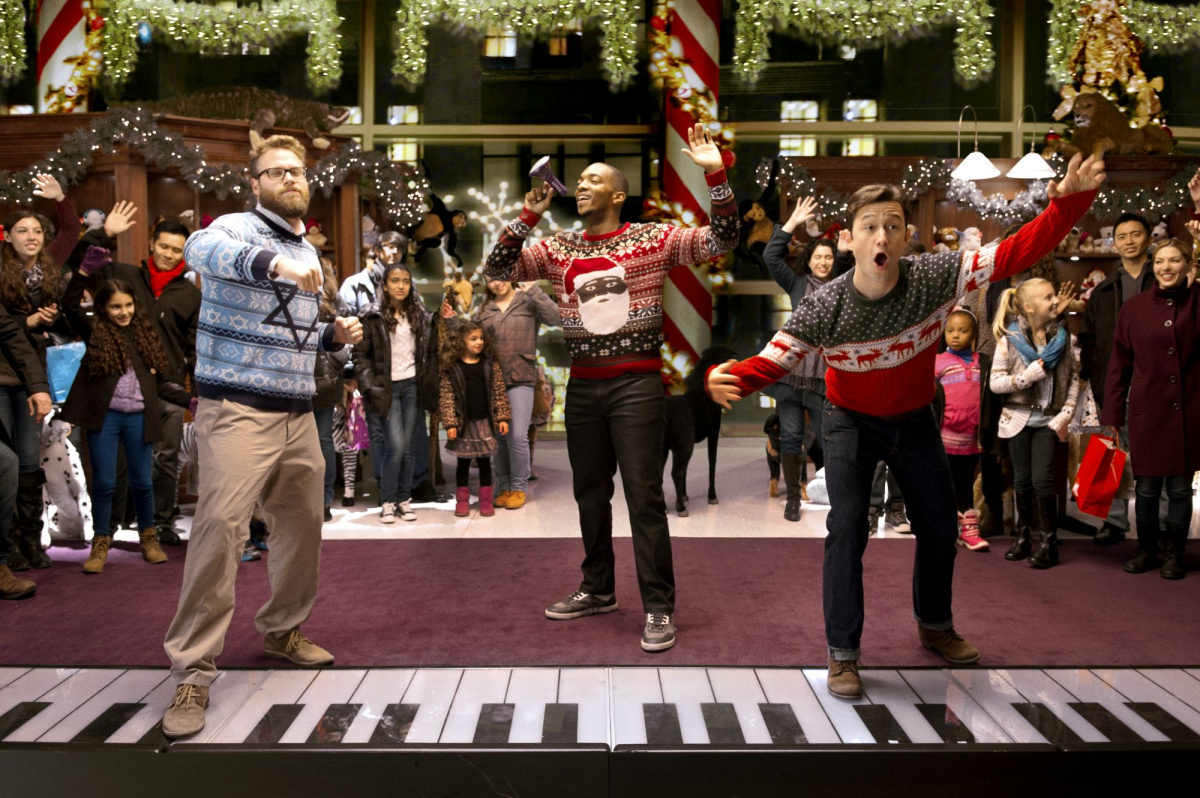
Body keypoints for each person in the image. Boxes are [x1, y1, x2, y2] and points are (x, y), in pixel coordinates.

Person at [707, 153, 1104, 698]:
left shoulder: (935, 276)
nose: (882, 236)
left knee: (940, 527)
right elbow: (774, 359)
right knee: (848, 530)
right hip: (849, 421)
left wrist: (1070, 203)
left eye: (893, 226)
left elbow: (1016, 251)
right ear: (849, 240)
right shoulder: (825, 305)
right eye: (870, 226)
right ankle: (843, 654)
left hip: (916, 419)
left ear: (906, 237)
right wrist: (723, 378)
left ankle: (935, 625)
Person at [485, 123, 739, 652]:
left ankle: (659, 606)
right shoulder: (558, 248)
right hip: (584, 387)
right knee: (590, 495)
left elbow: (723, 238)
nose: (581, 186)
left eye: (593, 180)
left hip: (636, 386)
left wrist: (715, 174)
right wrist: (528, 214)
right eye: (578, 181)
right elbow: (497, 267)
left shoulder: (653, 238)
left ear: (618, 195)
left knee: (644, 497)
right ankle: (598, 588)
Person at [161, 134, 363, 739]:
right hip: (236, 410)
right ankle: (192, 670)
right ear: (255, 183)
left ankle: (282, 631)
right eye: (275, 172)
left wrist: (331, 336)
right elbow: (200, 249)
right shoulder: (236, 228)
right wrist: (275, 264)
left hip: (297, 413)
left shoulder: (307, 249)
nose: (290, 178)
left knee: (302, 526)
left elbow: (290, 329)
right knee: (220, 531)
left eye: (297, 170)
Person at [67, 209, 201, 548]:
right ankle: (113, 523)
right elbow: (78, 267)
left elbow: (194, 347)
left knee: (166, 458)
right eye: (164, 246)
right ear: (152, 244)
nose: (169, 254)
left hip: (168, 385)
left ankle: (161, 522)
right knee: (119, 462)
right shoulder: (123, 275)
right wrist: (104, 233)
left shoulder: (190, 294)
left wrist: (197, 396)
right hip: (121, 384)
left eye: (177, 250)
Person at [60, 271, 193, 573]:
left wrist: (190, 401)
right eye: (116, 307)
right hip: (105, 418)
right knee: (104, 483)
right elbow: (69, 304)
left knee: (142, 482)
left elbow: (159, 386)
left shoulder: (145, 336)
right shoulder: (96, 333)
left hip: (139, 418)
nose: (123, 312)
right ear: (103, 308)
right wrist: (82, 274)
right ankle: (101, 541)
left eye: (128, 305)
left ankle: (148, 538)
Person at [1102, 235, 1200, 579]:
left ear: (1188, 266)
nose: (1166, 267)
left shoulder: (1197, 302)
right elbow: (1119, 364)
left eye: (1174, 260)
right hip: (1146, 412)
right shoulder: (1134, 308)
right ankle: (1145, 551)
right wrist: (1112, 414)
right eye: (1159, 261)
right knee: (1145, 489)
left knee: (1180, 489)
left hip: (1188, 412)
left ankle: (1174, 554)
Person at [0, 174, 79, 570]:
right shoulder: (1, 270)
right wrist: (29, 321)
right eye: (22, 231)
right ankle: (9, 543)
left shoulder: (47, 265)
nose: (31, 237)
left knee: (30, 457)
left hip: (32, 374)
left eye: (36, 231)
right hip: (2, 373)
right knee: (8, 460)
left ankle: (31, 539)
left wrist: (60, 197)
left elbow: (71, 231)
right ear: (7, 236)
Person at [763, 197, 850, 521]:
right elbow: (771, 257)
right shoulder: (797, 283)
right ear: (809, 261)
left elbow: (849, 270)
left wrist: (844, 253)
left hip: (824, 377)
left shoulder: (842, 285)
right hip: (791, 374)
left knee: (830, 438)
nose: (823, 262)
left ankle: (836, 496)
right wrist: (790, 224)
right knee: (791, 437)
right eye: (818, 257)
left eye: (829, 257)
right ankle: (792, 500)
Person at [989, 278, 1080, 569]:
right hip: (1017, 418)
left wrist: (1067, 412)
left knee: (1043, 479)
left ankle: (1049, 544)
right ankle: (1023, 537)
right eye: (1048, 297)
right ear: (1028, 307)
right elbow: (995, 383)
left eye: (1055, 295)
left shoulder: (1065, 339)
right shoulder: (1009, 339)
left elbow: (1073, 380)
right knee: (1022, 480)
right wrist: (1026, 377)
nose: (1055, 300)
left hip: (1048, 421)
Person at [1078, 211, 1155, 546]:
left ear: (1148, 239)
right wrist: (1096, 377)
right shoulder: (1104, 290)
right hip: (1114, 383)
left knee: (1156, 452)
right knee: (1111, 451)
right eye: (1122, 236)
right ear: (1114, 243)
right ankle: (1113, 521)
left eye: (1135, 234)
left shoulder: (1163, 280)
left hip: (1155, 383)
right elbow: (1090, 338)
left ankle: (1160, 521)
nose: (1129, 241)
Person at [352, 261, 436, 523]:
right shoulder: (371, 314)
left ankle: (403, 500)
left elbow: (430, 350)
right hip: (385, 387)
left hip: (412, 385)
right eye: (395, 281)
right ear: (385, 286)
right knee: (395, 446)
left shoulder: (419, 314)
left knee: (409, 447)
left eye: (406, 281)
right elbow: (359, 355)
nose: (401, 286)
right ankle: (387, 501)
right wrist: (369, 385)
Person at [469, 279, 559, 510]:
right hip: (492, 381)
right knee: (499, 437)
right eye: (490, 279)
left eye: (500, 277)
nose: (496, 283)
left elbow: (556, 318)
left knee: (518, 435)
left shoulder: (528, 301)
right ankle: (504, 486)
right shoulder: (484, 310)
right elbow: (468, 340)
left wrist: (534, 290)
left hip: (522, 378)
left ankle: (519, 487)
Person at [0, 306, 52, 599]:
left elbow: (11, 334)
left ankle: (4, 560)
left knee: (10, 463)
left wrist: (38, 386)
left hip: (18, 382)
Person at [439, 321, 511, 517]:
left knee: (485, 462)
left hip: (483, 422)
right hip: (464, 424)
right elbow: (447, 397)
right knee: (463, 463)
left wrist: (502, 417)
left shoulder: (489, 364)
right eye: (473, 339)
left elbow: (498, 392)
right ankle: (462, 501)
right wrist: (451, 423)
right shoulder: (452, 368)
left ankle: (486, 500)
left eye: (481, 338)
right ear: (461, 341)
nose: (479, 342)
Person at [934, 309, 990, 552]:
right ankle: (943, 528)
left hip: (972, 438)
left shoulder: (983, 363)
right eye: (950, 330)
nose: (955, 335)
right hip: (944, 437)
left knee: (966, 482)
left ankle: (968, 531)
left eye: (962, 330)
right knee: (942, 484)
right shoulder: (938, 362)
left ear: (974, 334)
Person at [313, 257, 350, 522]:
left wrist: (333, 362)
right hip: (294, 382)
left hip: (324, 383)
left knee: (323, 441)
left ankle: (324, 500)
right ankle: (309, 500)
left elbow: (348, 347)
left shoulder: (337, 304)